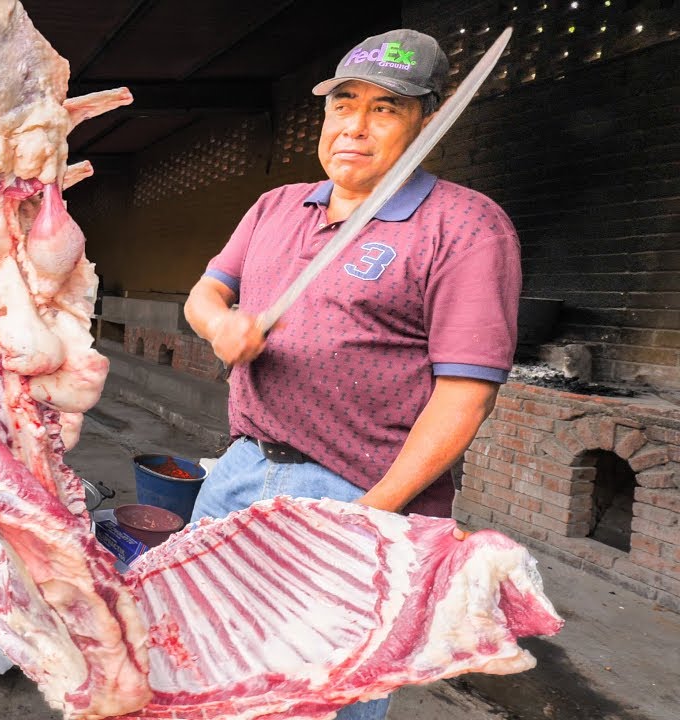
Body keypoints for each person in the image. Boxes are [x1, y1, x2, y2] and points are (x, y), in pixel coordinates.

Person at [184, 29, 520, 720]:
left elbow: (465, 397)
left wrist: (368, 516)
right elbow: (205, 293)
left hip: (359, 493)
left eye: (385, 109)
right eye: (344, 104)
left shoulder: (464, 227)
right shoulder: (277, 207)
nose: (355, 128)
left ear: (427, 117)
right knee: (204, 661)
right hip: (239, 473)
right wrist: (222, 326)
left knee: (321, 696)